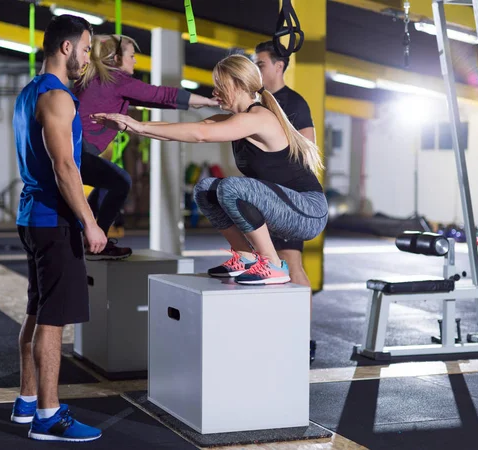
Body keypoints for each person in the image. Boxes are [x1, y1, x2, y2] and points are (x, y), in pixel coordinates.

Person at [92, 54, 328, 287]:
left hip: (308, 210)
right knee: (206, 189)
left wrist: (139, 126)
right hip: (281, 204)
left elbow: (200, 135)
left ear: (236, 84)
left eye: (219, 85)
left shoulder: (259, 117)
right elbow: (184, 128)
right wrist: (129, 125)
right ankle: (246, 256)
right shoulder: (237, 119)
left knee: (230, 187)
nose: (214, 92)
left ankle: (273, 264)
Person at [11, 15, 105, 442]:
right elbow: (64, 166)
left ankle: (26, 401)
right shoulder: (56, 98)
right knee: (53, 322)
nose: (87, 58)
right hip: (53, 221)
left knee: (37, 310)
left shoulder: (29, 93)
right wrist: (89, 222)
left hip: (31, 217)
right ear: (66, 48)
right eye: (85, 49)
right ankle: (48, 417)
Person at [74, 34, 218, 260]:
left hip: (76, 149)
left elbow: (154, 99)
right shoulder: (116, 80)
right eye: (131, 56)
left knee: (107, 182)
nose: (135, 61)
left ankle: (84, 233)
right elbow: (162, 94)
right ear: (116, 58)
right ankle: (97, 240)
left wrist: (198, 102)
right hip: (78, 151)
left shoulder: (96, 79)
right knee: (121, 181)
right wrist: (210, 101)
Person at [254, 40, 318, 362]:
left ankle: (302, 340)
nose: (257, 69)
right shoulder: (257, 102)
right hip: (263, 198)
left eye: (261, 64)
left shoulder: (294, 103)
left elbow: (308, 151)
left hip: (290, 198)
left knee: (291, 264)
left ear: (279, 66)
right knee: (267, 265)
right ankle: (274, 333)